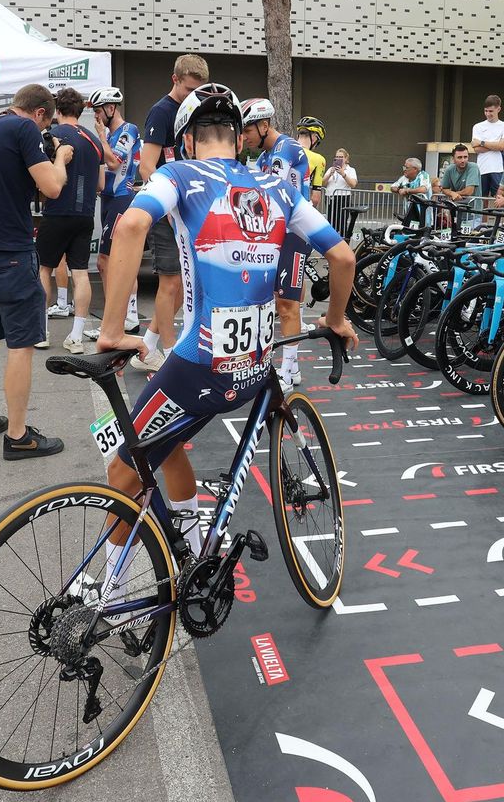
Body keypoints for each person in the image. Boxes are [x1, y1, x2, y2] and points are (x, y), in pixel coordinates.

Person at [94, 83, 358, 591]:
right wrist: (338, 320)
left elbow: (129, 228)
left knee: (121, 471)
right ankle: (195, 550)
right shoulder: (279, 188)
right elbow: (343, 257)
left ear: (187, 141)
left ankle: (107, 592)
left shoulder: (178, 174)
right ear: (238, 140)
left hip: (196, 366)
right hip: (252, 371)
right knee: (163, 445)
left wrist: (110, 331)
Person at [0, 82, 70, 460]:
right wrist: (60, 159)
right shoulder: (24, 129)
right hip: (12, 253)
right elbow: (53, 188)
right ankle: (20, 436)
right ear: (40, 114)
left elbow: (9, 181)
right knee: (21, 346)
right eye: (46, 126)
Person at [135, 54, 210, 373]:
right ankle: (169, 355)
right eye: (189, 88)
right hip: (168, 211)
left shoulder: (196, 108)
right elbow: (146, 166)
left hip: (191, 208)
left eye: (200, 89)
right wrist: (166, 202)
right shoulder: (162, 111)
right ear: (175, 80)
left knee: (186, 285)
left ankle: (149, 345)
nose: (194, 94)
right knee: (170, 284)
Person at [241, 96, 313, 390]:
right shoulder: (263, 157)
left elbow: (270, 193)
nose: (243, 137)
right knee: (277, 301)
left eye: (247, 130)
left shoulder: (287, 148)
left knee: (287, 304)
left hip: (296, 233)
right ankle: (290, 368)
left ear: (263, 124)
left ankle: (287, 370)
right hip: (276, 235)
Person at [36, 87, 104, 354]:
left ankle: (41, 333)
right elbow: (100, 184)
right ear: (82, 110)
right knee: (81, 273)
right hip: (84, 214)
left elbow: (43, 178)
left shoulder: (51, 135)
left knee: (43, 269)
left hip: (56, 211)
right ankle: (76, 336)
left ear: (58, 110)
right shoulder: (94, 141)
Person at [86, 86, 143, 340]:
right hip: (108, 199)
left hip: (121, 199)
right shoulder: (110, 133)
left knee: (105, 262)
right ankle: (128, 316)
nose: (96, 117)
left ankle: (115, 320)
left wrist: (100, 135)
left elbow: (113, 162)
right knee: (119, 261)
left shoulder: (127, 130)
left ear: (111, 108)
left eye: (98, 112)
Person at [469, 94, 504, 197]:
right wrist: (494, 145)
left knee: (498, 198)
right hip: (481, 169)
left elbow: (502, 147)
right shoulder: (477, 126)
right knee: (481, 200)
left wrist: (481, 142)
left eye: (491, 111)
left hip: (498, 169)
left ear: (498, 109)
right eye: (486, 111)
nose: (488, 114)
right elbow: (476, 149)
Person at [322, 147, 358, 236]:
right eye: (337, 157)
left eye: (341, 157)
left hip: (343, 198)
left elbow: (353, 184)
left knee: (342, 222)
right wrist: (330, 174)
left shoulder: (351, 170)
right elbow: (322, 183)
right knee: (330, 222)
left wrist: (343, 174)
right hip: (330, 198)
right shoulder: (331, 169)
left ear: (346, 159)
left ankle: (343, 241)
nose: (338, 159)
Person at [296, 116, 328, 208]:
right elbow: (315, 198)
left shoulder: (284, 150)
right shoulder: (319, 159)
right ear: (314, 137)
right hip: (299, 209)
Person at [392, 157, 434, 224]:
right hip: (409, 211)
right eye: (404, 167)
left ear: (415, 169)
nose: (404, 170)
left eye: (407, 168)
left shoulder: (423, 175)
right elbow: (393, 187)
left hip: (423, 212)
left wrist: (407, 191)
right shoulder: (404, 178)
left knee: (423, 231)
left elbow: (423, 189)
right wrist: (399, 190)